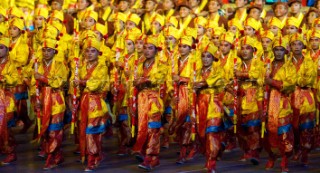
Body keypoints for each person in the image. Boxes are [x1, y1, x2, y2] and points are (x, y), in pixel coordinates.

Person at [132, 35, 166, 171]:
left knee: (153, 128)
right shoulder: (140, 64)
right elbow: (134, 80)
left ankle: (151, 157)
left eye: (150, 48)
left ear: (156, 50)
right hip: (141, 99)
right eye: (145, 48)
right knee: (143, 127)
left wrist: (144, 80)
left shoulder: (161, 65)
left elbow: (158, 78)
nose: (146, 51)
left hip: (153, 99)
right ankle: (145, 151)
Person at [75, 36, 109, 171]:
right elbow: (75, 83)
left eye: (92, 51)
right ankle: (93, 154)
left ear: (98, 53)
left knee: (92, 131)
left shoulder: (102, 67)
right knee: (83, 129)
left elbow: (96, 84)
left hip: (95, 103)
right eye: (87, 51)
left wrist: (82, 82)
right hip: (84, 101)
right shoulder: (81, 66)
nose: (89, 53)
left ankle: (93, 157)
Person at [34, 38, 68, 170]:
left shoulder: (60, 65)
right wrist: (36, 100)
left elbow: (58, 82)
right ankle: (57, 155)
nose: (46, 53)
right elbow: (34, 85)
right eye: (44, 50)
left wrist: (41, 78)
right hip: (43, 99)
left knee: (54, 130)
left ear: (54, 51)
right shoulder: (39, 65)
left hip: (56, 101)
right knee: (47, 131)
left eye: (49, 50)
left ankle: (51, 156)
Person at [264, 36, 296, 173]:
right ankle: (272, 156)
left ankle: (284, 160)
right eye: (276, 49)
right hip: (268, 101)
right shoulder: (267, 65)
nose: (278, 52)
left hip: (282, 102)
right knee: (267, 132)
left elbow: (290, 85)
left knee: (283, 131)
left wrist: (272, 82)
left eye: (281, 49)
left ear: (285, 51)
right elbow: (261, 83)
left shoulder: (290, 67)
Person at [194, 42, 225, 173]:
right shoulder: (197, 71)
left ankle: (211, 162)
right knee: (202, 135)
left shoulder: (219, 70)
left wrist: (204, 83)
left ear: (213, 58)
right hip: (200, 104)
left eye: (208, 56)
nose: (205, 59)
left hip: (214, 104)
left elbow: (220, 80)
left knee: (211, 132)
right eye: (203, 56)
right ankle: (218, 148)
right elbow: (192, 86)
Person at [289, 32, 317, 166]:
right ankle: (297, 149)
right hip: (289, 99)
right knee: (293, 128)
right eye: (293, 44)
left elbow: (309, 80)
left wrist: (292, 81)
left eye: (299, 44)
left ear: (303, 46)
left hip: (305, 99)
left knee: (306, 128)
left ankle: (305, 153)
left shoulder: (309, 62)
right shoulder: (286, 62)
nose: (296, 47)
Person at [236, 36, 264, 165]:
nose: (245, 51)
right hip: (241, 98)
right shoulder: (239, 64)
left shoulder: (258, 63)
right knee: (242, 128)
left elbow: (256, 76)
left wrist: (241, 75)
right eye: (243, 48)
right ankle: (247, 150)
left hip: (254, 97)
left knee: (253, 127)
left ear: (253, 50)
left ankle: (255, 152)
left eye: (248, 48)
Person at [0, 37, 19, 165]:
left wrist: (3, 78)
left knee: (5, 127)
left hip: (6, 100)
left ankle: (10, 152)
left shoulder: (12, 65)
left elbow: (15, 80)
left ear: (7, 50)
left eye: (1, 47)